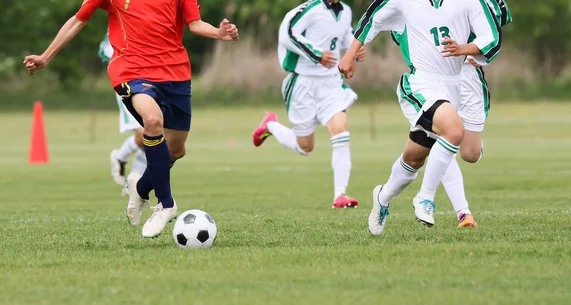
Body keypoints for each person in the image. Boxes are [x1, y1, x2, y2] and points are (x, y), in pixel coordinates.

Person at [23, 0, 239, 238]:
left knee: (176, 150)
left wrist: (219, 33)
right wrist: (46, 56)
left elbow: (195, 24)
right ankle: (166, 205)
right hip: (132, 70)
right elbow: (78, 19)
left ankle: (142, 187)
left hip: (175, 73)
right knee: (152, 121)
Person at [338, 0, 501, 235]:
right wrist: (350, 54)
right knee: (454, 130)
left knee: (414, 159)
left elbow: (492, 38)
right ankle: (426, 198)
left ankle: (382, 197)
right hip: (420, 84)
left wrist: (463, 49)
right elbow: (372, 18)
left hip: (454, 87)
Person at [389, 0, 511, 228]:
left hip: (470, 76)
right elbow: (394, 30)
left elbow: (498, 20)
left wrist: (473, 46)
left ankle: (464, 138)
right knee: (444, 137)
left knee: (471, 154)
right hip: (432, 79)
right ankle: (463, 212)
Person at [252, 0, 365, 208]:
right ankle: (270, 125)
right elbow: (287, 34)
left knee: (341, 131)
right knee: (305, 147)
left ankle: (340, 195)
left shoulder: (346, 12)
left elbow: (345, 37)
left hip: (331, 84)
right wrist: (316, 54)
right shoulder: (309, 9)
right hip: (302, 83)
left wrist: (354, 49)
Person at [98, 32, 147, 195]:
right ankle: (120, 157)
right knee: (144, 135)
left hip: (151, 82)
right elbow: (104, 50)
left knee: (155, 136)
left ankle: (131, 184)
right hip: (127, 84)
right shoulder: (120, 18)